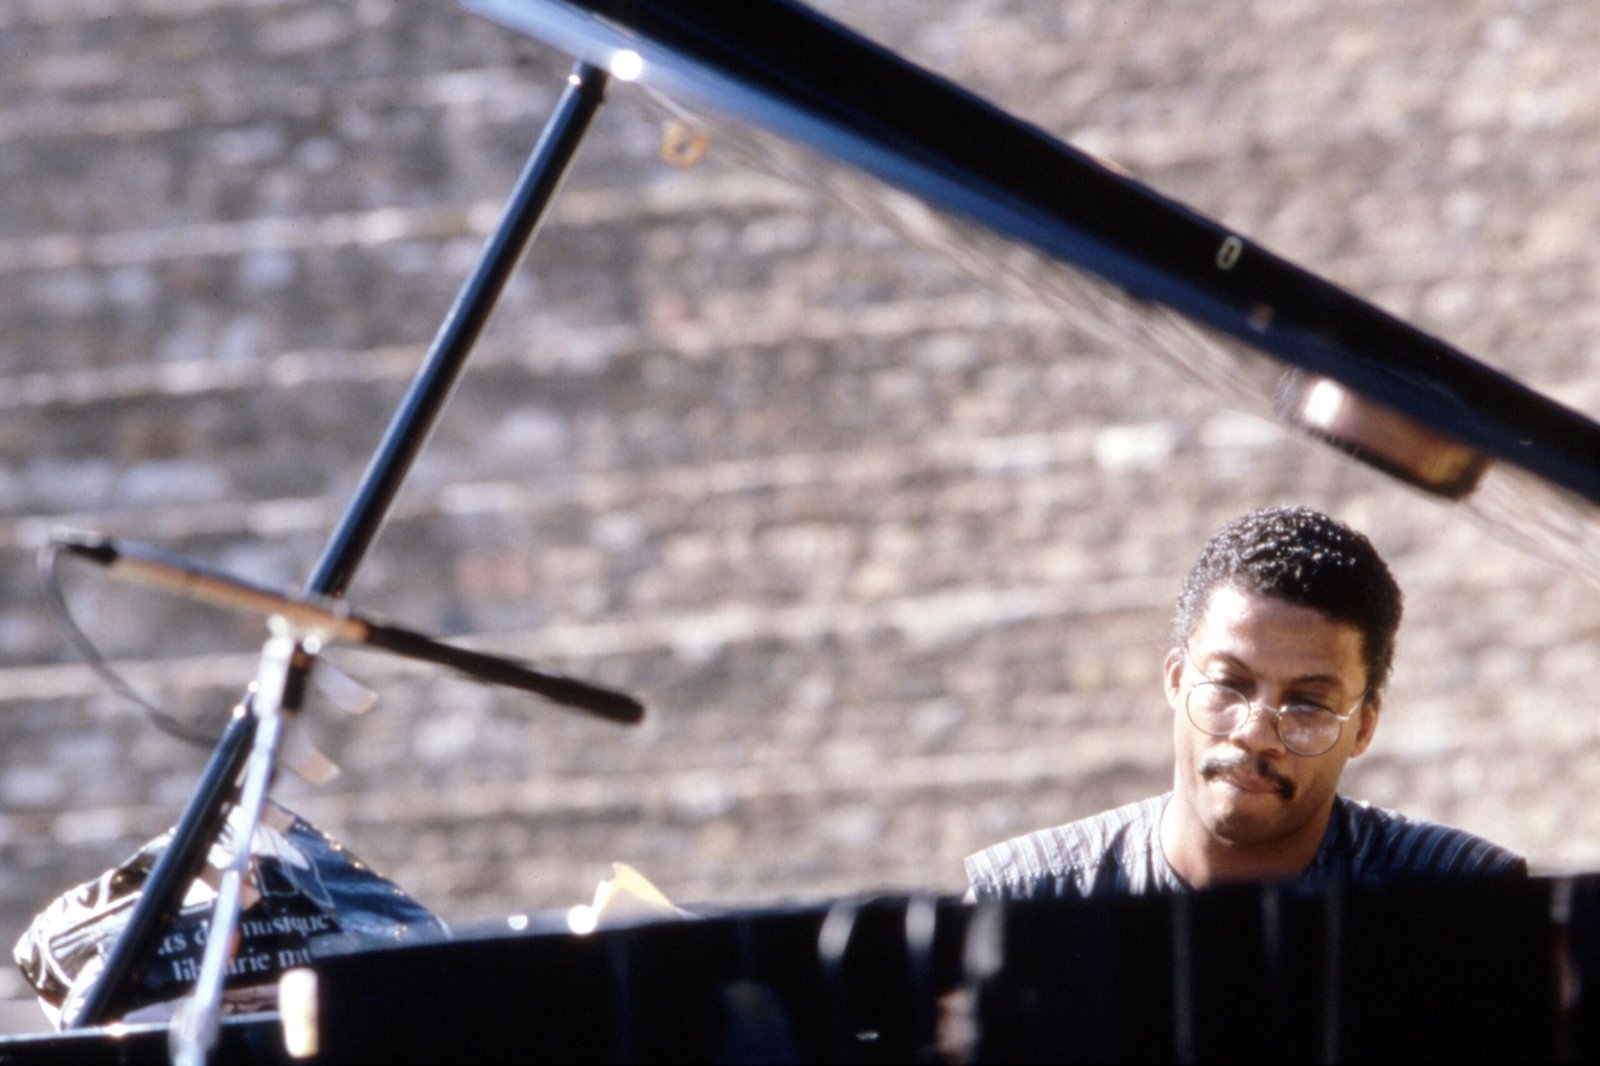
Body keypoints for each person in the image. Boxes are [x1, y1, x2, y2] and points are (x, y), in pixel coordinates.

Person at [965, 505, 1526, 900]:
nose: (1256, 733)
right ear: (1175, 679)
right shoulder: (1020, 902)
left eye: (1307, 704)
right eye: (1229, 685)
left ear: (1363, 728)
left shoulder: (1466, 900)